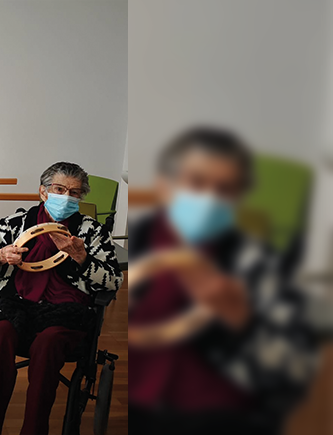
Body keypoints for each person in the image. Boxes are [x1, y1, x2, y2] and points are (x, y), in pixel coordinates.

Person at [128, 127, 319, 435]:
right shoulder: (138, 242)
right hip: (135, 404)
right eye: (196, 182)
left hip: (219, 412)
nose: (209, 198)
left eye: (226, 189)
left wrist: (243, 324)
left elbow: (298, 368)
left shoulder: (254, 261)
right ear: (165, 187)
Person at [0, 161, 123, 435]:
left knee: (49, 343)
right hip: (15, 304)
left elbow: (113, 280)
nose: (66, 197)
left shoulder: (92, 232)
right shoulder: (15, 224)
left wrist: (83, 258)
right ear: (43, 192)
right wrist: (1, 256)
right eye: (59, 189)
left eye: (74, 193)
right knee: (0, 334)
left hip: (66, 311)